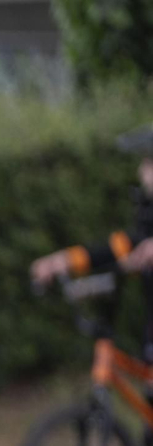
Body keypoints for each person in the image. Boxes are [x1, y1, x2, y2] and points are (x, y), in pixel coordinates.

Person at [30, 123, 153, 356]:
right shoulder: (147, 216)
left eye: (149, 163)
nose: (141, 172)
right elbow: (119, 246)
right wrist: (60, 261)